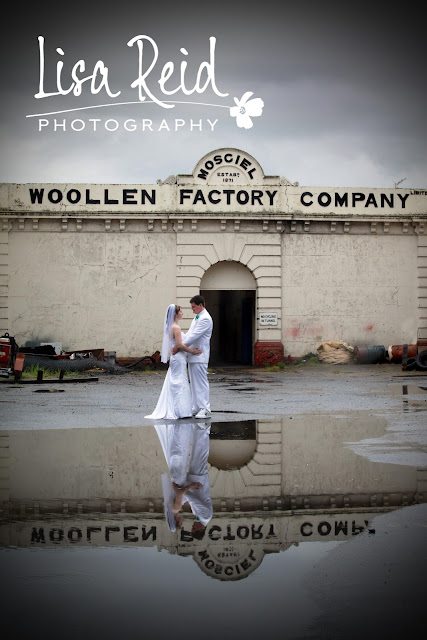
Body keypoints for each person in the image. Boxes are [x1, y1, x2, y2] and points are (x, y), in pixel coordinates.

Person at [155, 419, 213, 535]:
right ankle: (203, 427)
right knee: (199, 452)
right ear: (201, 529)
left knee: (197, 452)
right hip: (198, 480)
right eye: (194, 528)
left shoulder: (201, 516)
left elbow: (191, 499)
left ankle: (200, 426)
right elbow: (192, 500)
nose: (192, 526)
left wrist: (180, 495)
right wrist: (181, 493)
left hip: (195, 481)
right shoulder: (204, 516)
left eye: (193, 528)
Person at [145, 304, 202, 420]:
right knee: (179, 381)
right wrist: (192, 351)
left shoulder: (170, 326)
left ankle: (178, 408)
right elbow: (180, 345)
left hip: (175, 358)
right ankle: (179, 410)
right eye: (180, 311)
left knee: (175, 381)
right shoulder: (176, 328)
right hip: (179, 358)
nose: (182, 313)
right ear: (175, 314)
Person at [173, 295, 213, 419]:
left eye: (194, 307)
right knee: (195, 383)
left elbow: (194, 336)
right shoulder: (198, 317)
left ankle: (205, 408)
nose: (192, 309)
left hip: (200, 354)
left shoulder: (205, 319)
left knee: (201, 382)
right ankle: (197, 406)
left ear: (200, 305)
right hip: (193, 354)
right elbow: (190, 333)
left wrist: (179, 346)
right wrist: (181, 343)